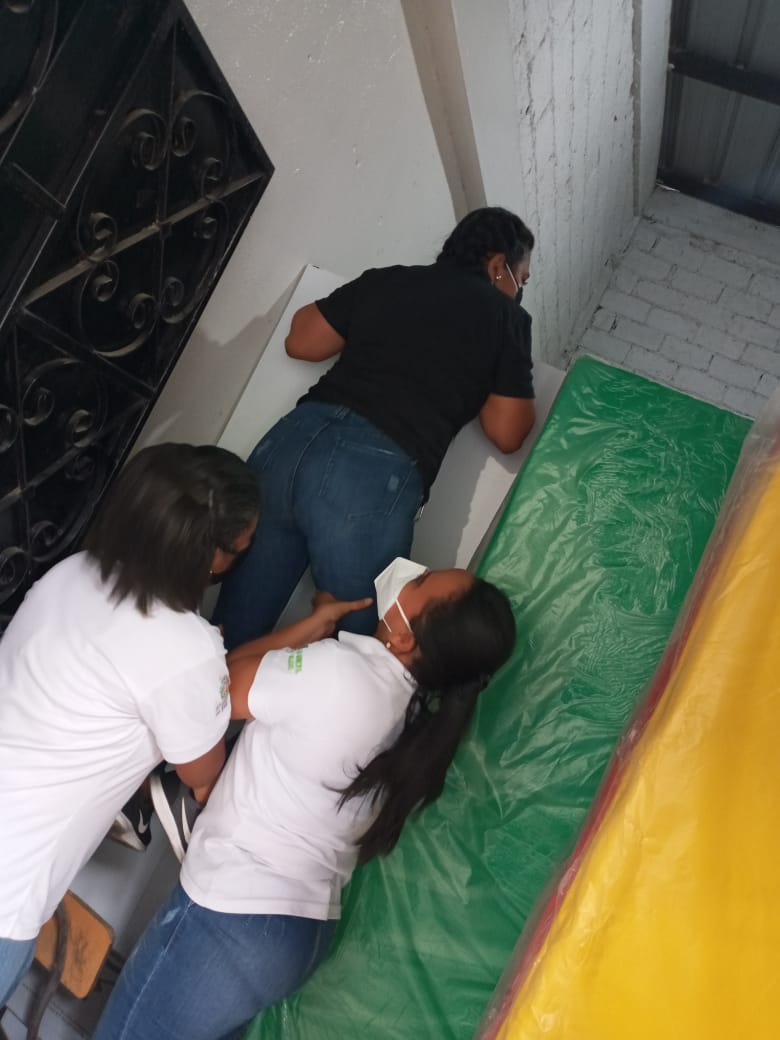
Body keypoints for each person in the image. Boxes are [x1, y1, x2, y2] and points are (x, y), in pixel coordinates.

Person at [93, 559, 517, 1040]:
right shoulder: (413, 724)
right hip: (300, 935)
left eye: (419, 582)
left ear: (405, 639)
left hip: (234, 917)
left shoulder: (342, 673)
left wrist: (308, 629)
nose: (410, 575)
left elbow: (218, 688)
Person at [0, 443, 261, 1007]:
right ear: (212, 556)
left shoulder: (74, 572)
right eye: (243, 548)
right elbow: (202, 774)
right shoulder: (183, 648)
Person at [213, 206, 536, 647]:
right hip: (370, 475)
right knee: (356, 654)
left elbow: (301, 341)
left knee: (232, 633)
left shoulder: (391, 279)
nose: (520, 291)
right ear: (498, 266)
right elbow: (508, 432)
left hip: (290, 443)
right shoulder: (507, 319)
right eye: (522, 279)